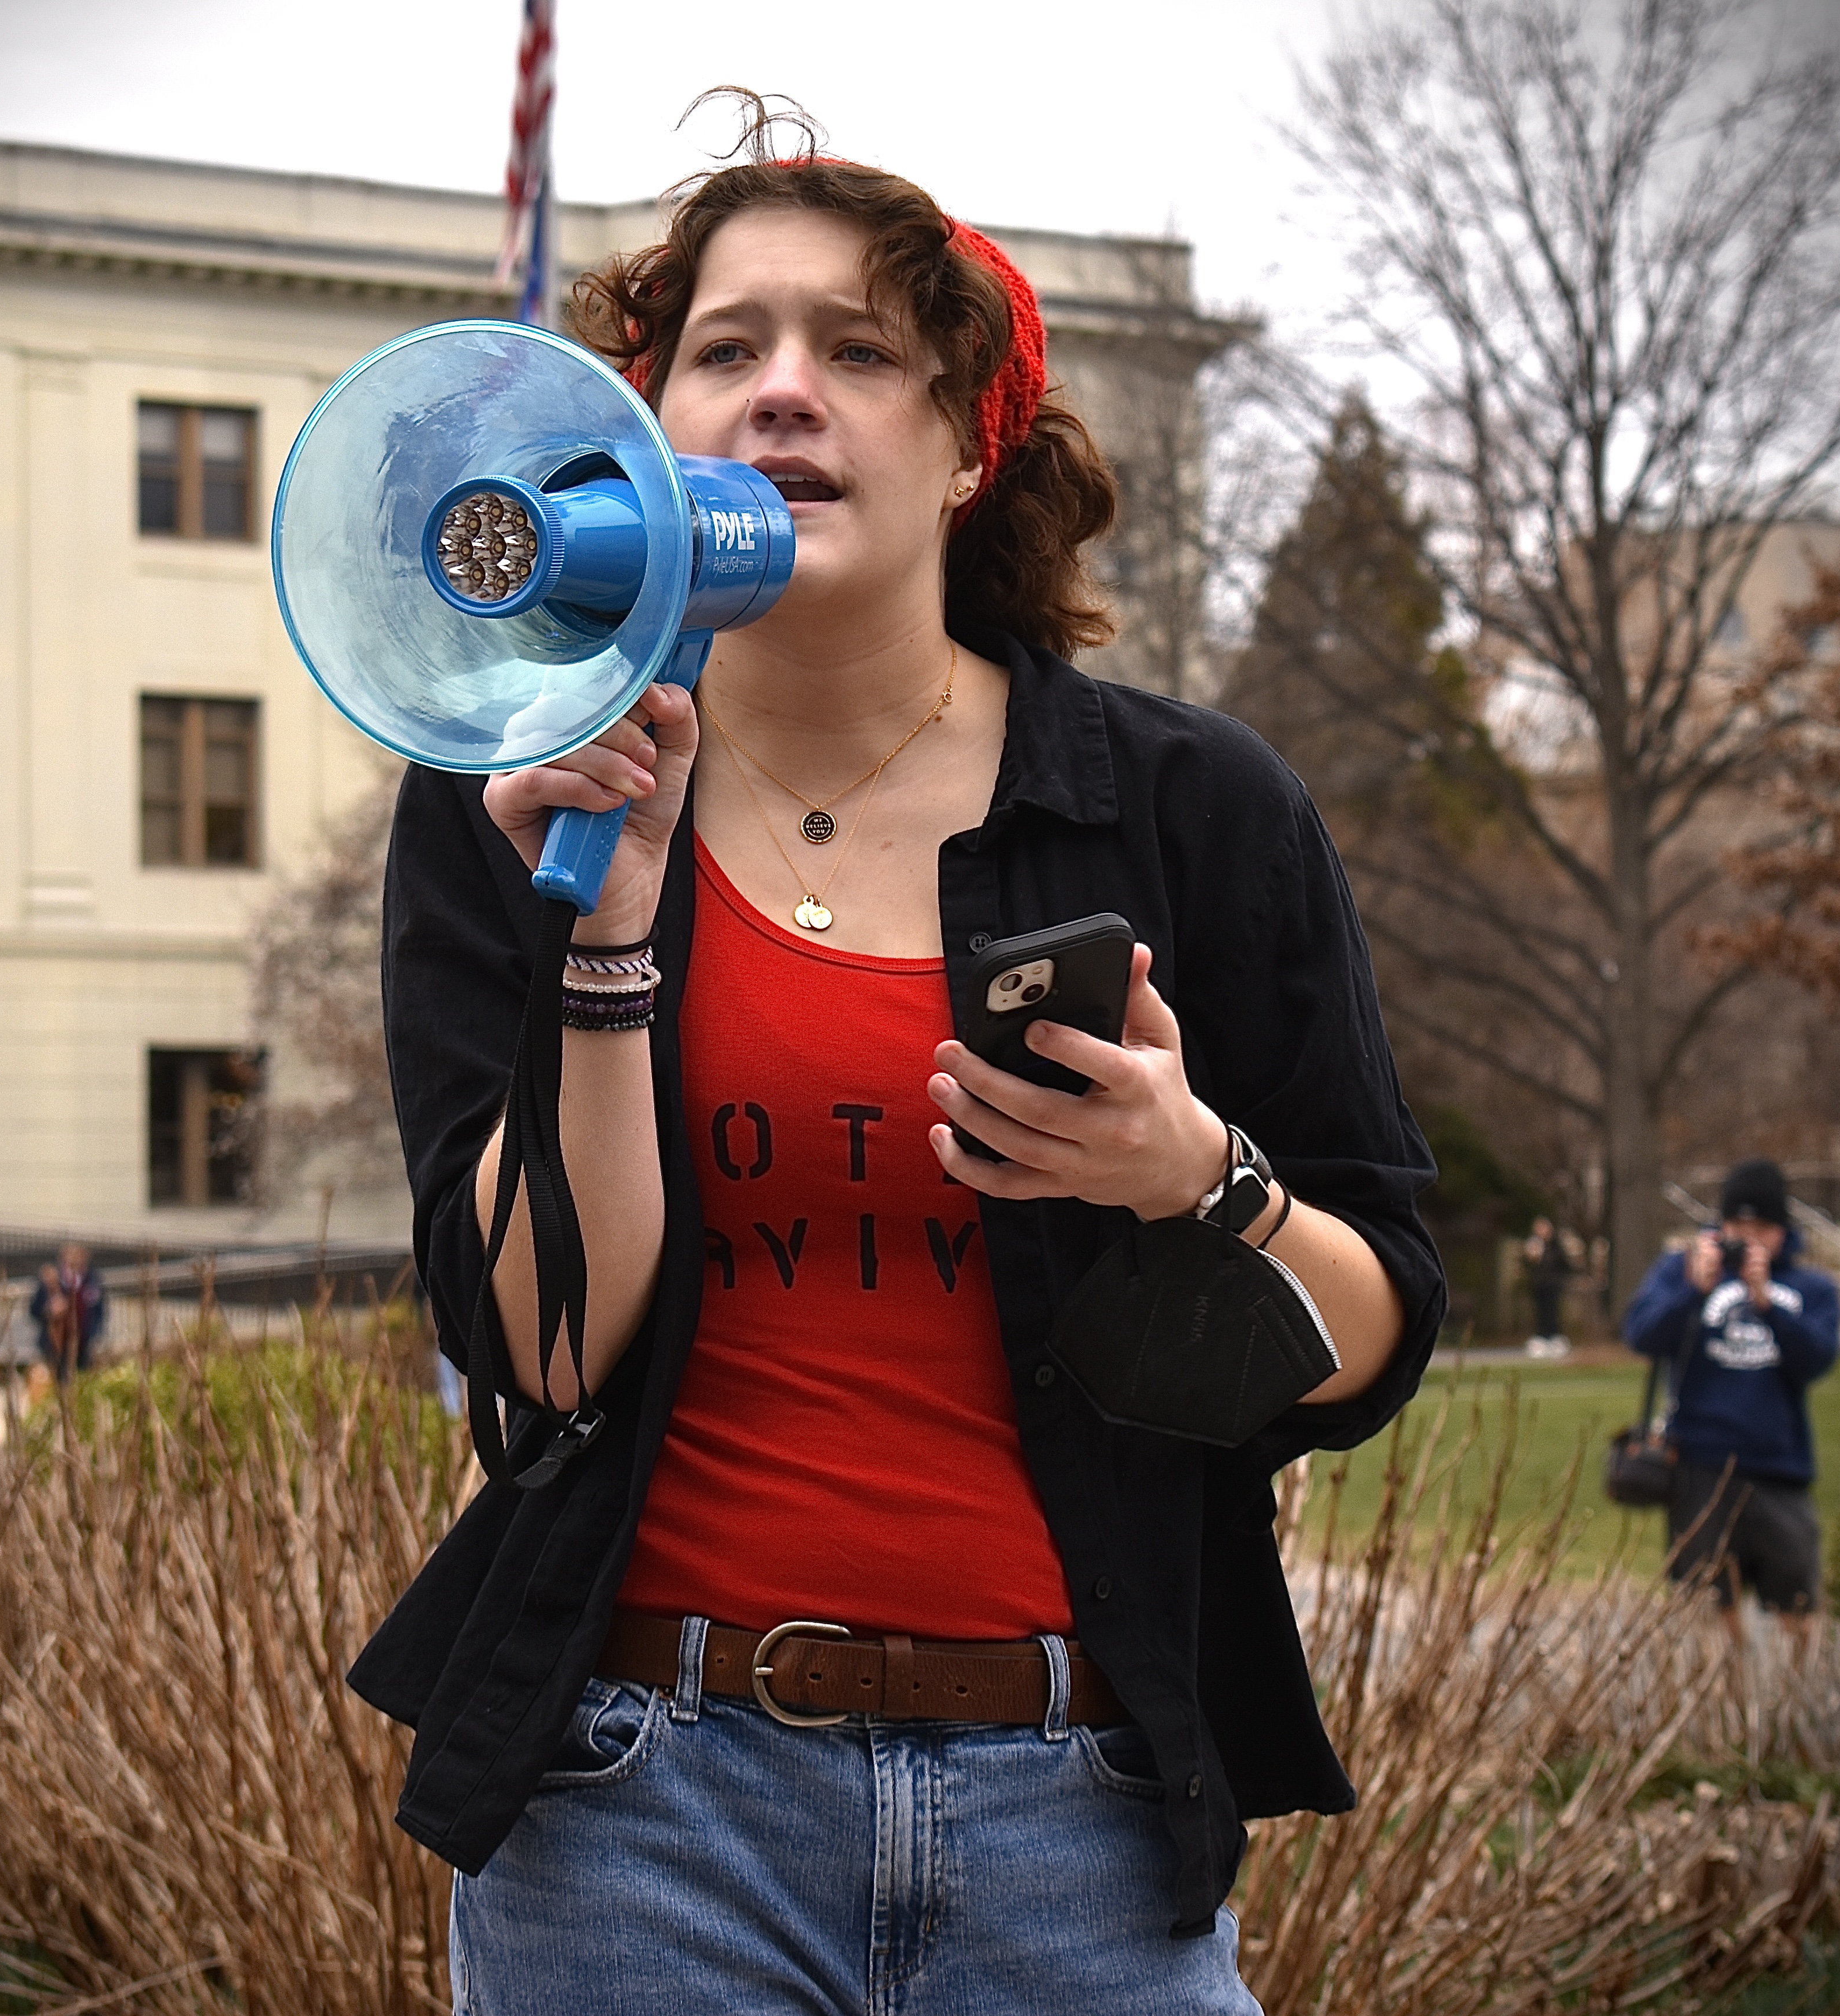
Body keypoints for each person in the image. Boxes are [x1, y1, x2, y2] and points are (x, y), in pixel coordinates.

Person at [345, 104, 1445, 2013]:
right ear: (644, 430)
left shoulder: (1193, 810)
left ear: (962, 442)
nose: (784, 390)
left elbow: (1370, 1340)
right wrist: (601, 936)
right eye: (723, 347)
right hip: (635, 1815)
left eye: (856, 350)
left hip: (1081, 1820)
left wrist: (1197, 1181)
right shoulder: (510, 805)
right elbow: (530, 1352)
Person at [1623, 1159, 1840, 1639]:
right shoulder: (1681, 1271)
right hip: (1699, 1465)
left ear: (1782, 1231)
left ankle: (1796, 1705)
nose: (1748, 1238)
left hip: (1779, 1466)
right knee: (1707, 1607)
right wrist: (1692, 1291)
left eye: (1761, 1227)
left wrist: (1766, 1301)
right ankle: (1727, 1704)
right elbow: (1640, 1335)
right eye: (1737, 1225)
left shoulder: (1810, 1288)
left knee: (1797, 1606)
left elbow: (1817, 1359)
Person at [28, 1243, 106, 1381]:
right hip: (57, 1344)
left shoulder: (93, 1280)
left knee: (83, 1380)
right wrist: (50, 1310)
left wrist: (96, 1335)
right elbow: (34, 1310)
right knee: (61, 1381)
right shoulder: (50, 1282)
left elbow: (99, 1311)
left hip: (84, 1343)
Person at [1522, 1215, 1577, 1358]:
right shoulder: (1533, 1246)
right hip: (1538, 1286)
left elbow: (1565, 1266)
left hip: (1553, 1285)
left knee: (1552, 1312)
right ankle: (1541, 1339)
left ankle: (1555, 1339)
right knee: (1541, 1313)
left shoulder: (1557, 1247)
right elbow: (1527, 1267)